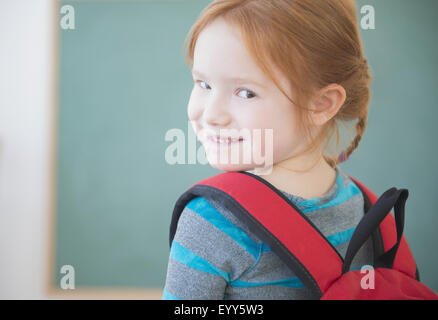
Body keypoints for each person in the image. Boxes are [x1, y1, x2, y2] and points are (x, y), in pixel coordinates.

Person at [163, 0, 373, 299]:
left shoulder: (212, 220)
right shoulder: (364, 207)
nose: (211, 114)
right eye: (203, 84)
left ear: (321, 104)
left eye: (246, 92)